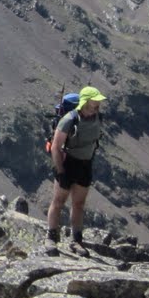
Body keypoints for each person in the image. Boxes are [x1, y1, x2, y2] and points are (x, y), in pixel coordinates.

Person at [47, 85, 106, 254]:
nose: (98, 106)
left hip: (85, 165)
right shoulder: (69, 119)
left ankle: (76, 241)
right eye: (95, 102)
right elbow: (56, 147)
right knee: (58, 202)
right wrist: (60, 170)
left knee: (78, 204)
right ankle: (51, 238)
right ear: (86, 102)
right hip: (68, 164)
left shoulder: (97, 118)